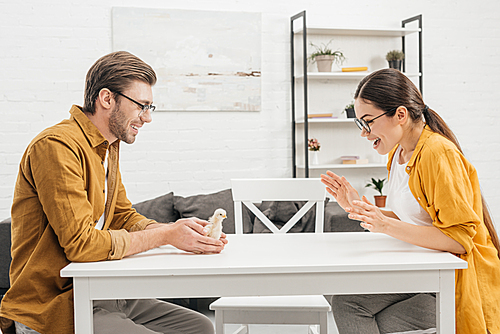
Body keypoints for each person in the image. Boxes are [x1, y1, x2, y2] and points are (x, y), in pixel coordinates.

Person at [0, 51, 227, 334]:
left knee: (199, 326)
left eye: (150, 108)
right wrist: (164, 235)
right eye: (141, 106)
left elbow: (121, 214)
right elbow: (81, 244)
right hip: (54, 303)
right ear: (107, 99)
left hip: (102, 290)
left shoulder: (108, 147)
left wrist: (174, 230)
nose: (147, 118)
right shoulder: (56, 147)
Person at [321, 68, 500, 334]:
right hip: (423, 270)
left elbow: (458, 238)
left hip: (454, 280)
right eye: (360, 123)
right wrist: (360, 209)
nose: (364, 132)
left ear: (400, 115)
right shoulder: (399, 154)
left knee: (349, 307)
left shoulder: (438, 154)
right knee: (340, 296)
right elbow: (413, 219)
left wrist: (384, 224)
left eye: (368, 121)